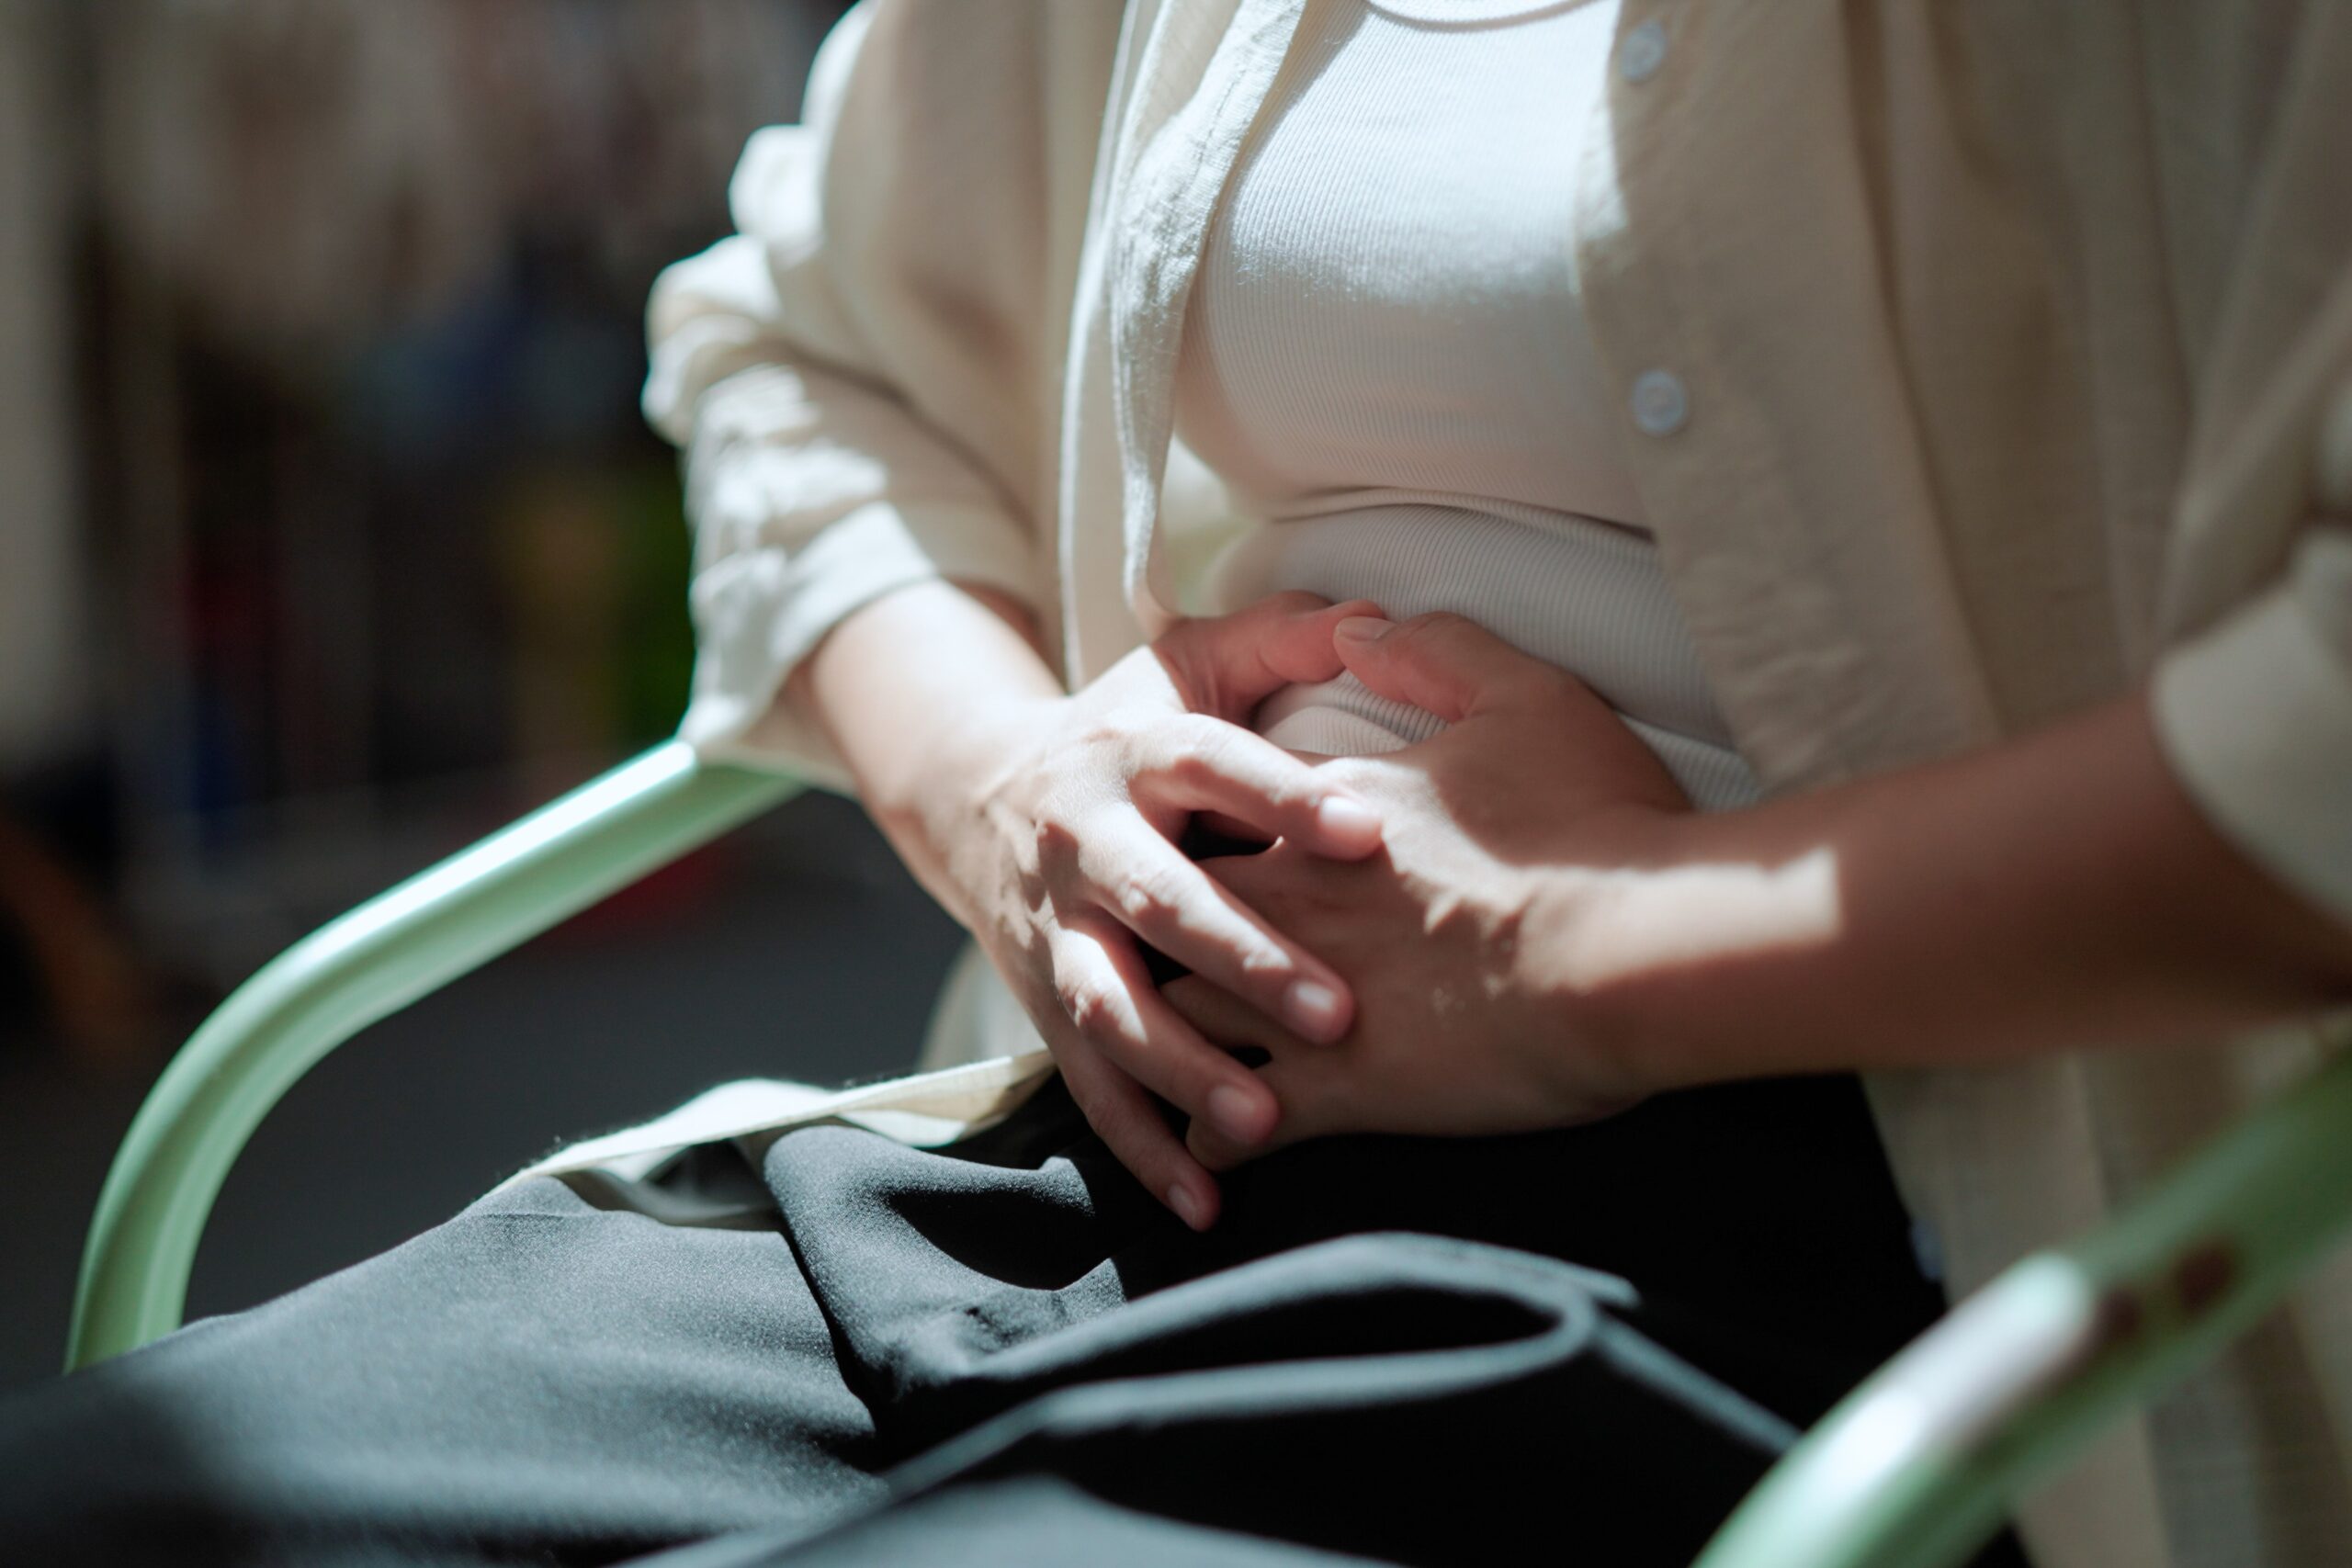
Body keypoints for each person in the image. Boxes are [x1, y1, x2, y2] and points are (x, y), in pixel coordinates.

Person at [6, 4, 2350, 1565]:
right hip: (1104, 1175)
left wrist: (1580, 950)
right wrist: (1008, 791)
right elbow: (800, 355)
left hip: (1868, 1265)